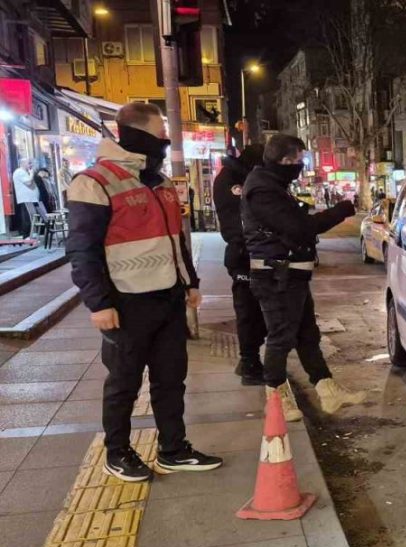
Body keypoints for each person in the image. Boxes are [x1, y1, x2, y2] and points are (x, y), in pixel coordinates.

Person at [66, 102, 222, 482]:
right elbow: (82, 250)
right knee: (123, 382)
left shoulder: (162, 182)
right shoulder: (95, 181)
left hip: (167, 298)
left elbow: (176, 240)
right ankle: (117, 453)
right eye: (160, 132)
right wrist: (98, 303)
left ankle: (173, 449)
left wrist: (190, 283)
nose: (165, 139)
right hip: (125, 301)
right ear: (135, 133)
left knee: (171, 379)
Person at [241, 134, 366, 421]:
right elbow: (300, 228)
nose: (299, 165)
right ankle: (276, 397)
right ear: (284, 160)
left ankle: (327, 388)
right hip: (276, 275)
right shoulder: (263, 190)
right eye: (297, 160)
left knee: (307, 335)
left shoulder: (272, 185)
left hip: (290, 275)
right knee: (281, 337)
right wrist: (341, 211)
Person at [213, 144, 267, 385]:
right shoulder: (231, 181)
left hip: (257, 253)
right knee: (248, 311)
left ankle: (250, 358)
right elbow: (236, 224)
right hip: (244, 255)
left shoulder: (251, 178)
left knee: (262, 312)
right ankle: (249, 363)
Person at [13, 159, 45, 239]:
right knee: (27, 217)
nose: (31, 165)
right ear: (23, 163)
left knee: (32, 217)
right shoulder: (19, 172)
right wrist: (31, 174)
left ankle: (32, 233)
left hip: (31, 199)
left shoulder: (25, 172)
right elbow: (28, 182)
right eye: (29, 163)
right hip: (26, 199)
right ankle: (26, 235)